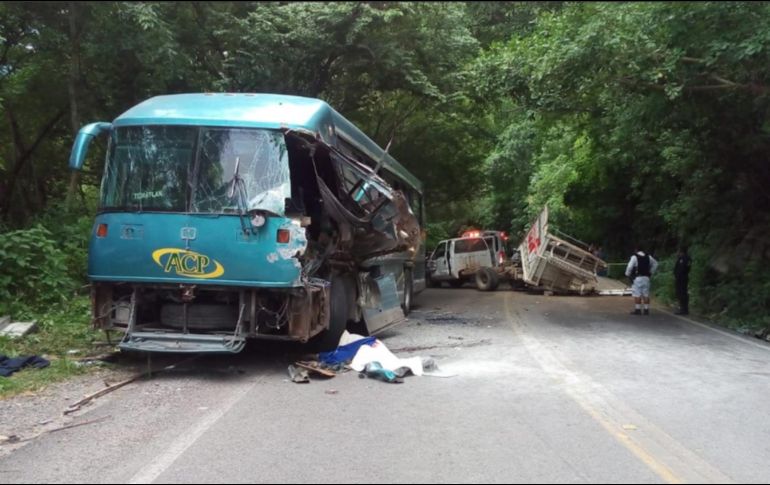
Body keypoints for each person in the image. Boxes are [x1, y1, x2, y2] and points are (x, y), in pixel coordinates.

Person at [626, 247, 658, 315]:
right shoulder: (648, 257)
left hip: (638, 278)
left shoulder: (634, 257)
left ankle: (638, 310)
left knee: (637, 294)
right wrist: (651, 272)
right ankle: (646, 310)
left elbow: (629, 267)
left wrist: (627, 274)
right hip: (646, 278)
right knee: (646, 294)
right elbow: (656, 264)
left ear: (636, 250)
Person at [674, 247, 691, 315]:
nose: (677, 253)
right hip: (684, 277)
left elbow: (681, 269)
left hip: (681, 278)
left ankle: (683, 309)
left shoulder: (683, 259)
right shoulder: (688, 258)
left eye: (678, 251)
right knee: (683, 293)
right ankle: (684, 308)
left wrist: (677, 276)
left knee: (681, 293)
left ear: (681, 252)